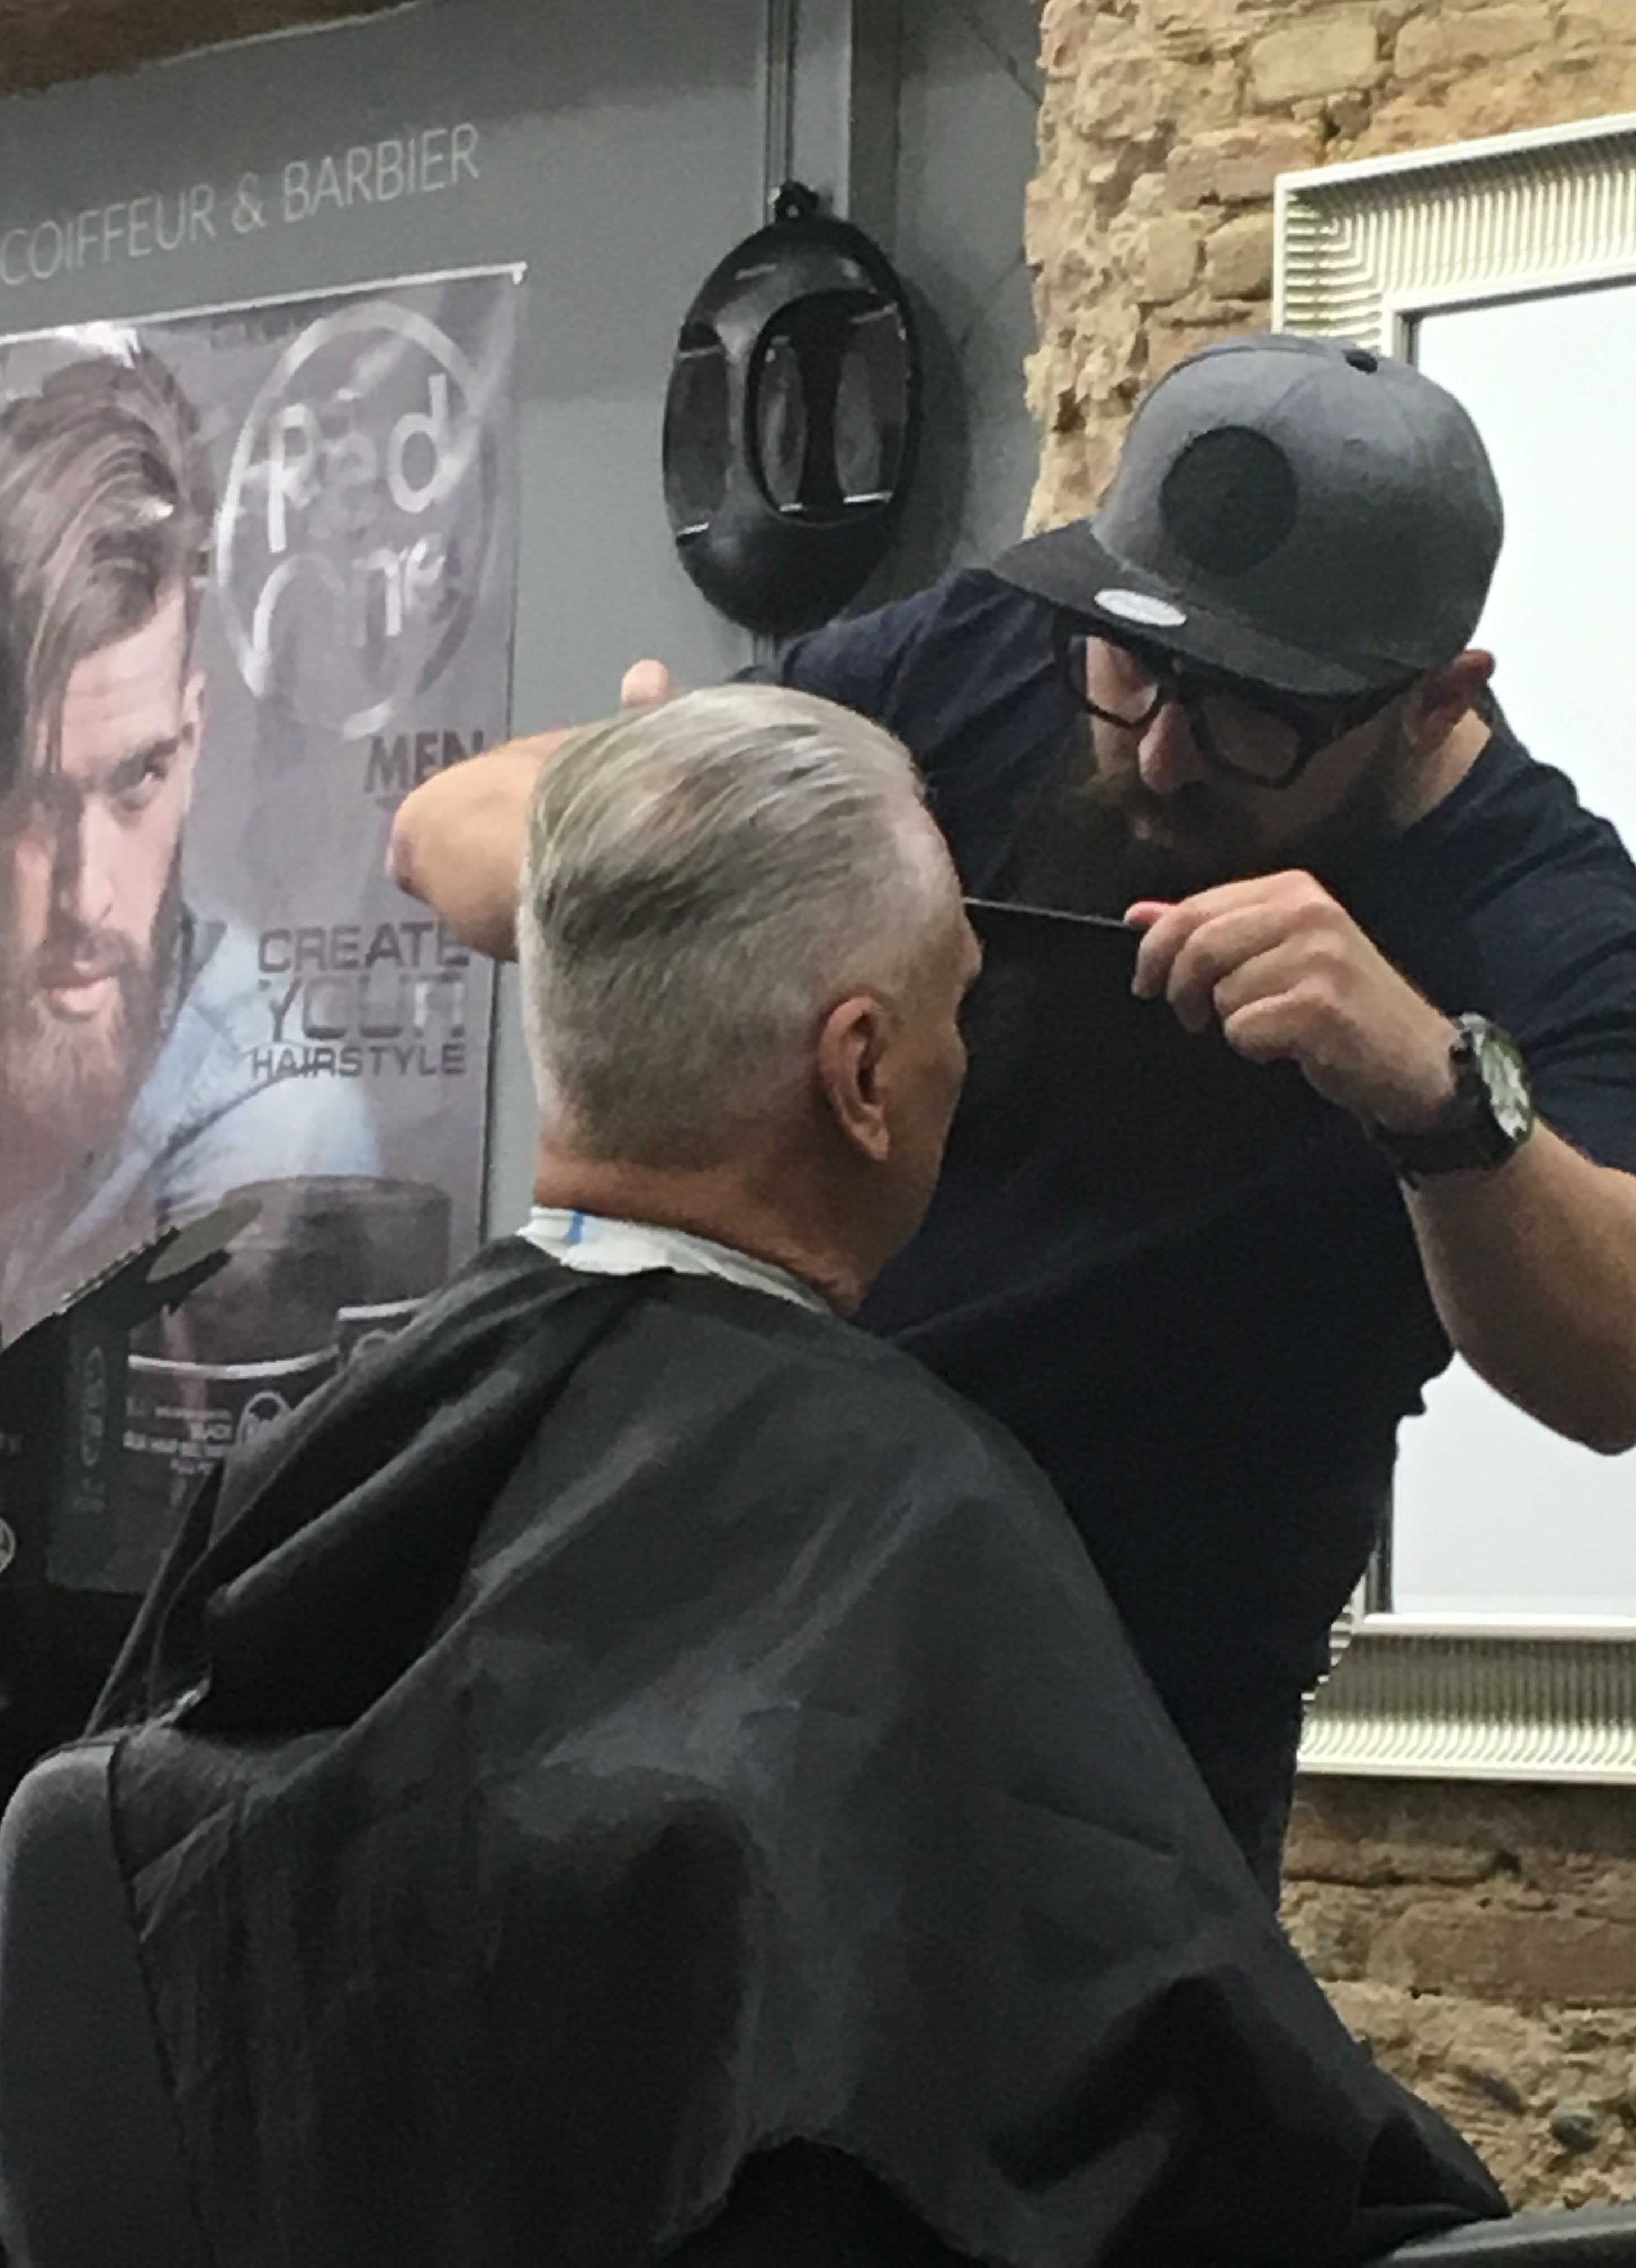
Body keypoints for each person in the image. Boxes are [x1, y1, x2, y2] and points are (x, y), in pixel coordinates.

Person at [50, 685, 1501, 2267]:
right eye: (959, 1009)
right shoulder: (924, 1527)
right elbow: (1252, 2147)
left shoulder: (305, 1477)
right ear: (861, 1073)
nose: (965, 1056)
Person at [388, 333, 1636, 1896]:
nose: (1162, 749)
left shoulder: (1540, 913)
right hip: (728, 1644)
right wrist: (657, 857)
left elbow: (1616, 1369)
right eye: (1134, 672)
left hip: (1105, 1794)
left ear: (1434, 700)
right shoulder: (985, 655)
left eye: (1253, 714)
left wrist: (1438, 1098)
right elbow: (446, 834)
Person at [0, 344, 380, 1339]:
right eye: (35, 799)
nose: (87, 892)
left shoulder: (276, 1121)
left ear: (192, 742)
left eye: (137, 778)